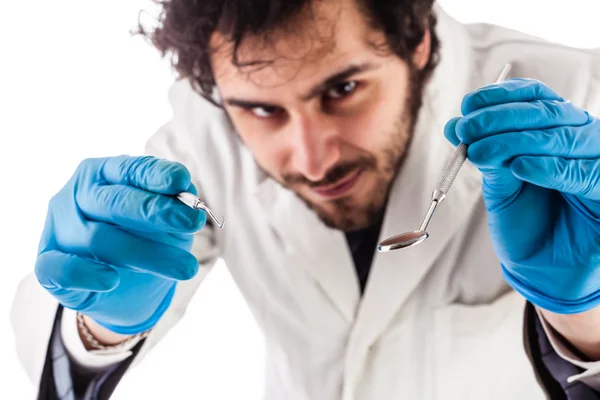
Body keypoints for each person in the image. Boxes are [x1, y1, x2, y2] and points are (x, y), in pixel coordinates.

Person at [10, 0, 600, 398]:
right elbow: (63, 368)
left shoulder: (580, 104)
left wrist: (586, 319)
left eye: (343, 89)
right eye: (263, 110)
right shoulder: (206, 132)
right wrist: (99, 323)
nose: (312, 160)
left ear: (418, 41)